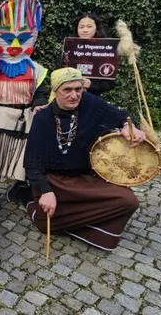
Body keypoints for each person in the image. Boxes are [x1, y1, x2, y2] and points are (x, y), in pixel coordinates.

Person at [18, 67, 144, 250]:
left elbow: (121, 115)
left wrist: (127, 126)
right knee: (45, 225)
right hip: (56, 182)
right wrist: (45, 191)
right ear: (56, 91)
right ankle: (32, 199)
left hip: (87, 179)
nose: (74, 95)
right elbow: (32, 164)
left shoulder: (90, 103)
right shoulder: (43, 118)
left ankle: (72, 220)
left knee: (128, 201)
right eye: (67, 90)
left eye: (78, 89)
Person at [0, 0, 50, 208]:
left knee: (21, 158)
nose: (16, 44)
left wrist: (38, 105)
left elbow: (40, 93)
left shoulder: (36, 69)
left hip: (24, 120)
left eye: (23, 38)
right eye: (9, 39)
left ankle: (19, 188)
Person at [70, 12, 115, 97]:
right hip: (68, 97)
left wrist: (91, 85)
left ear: (96, 29)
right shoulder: (68, 49)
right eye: (81, 27)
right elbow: (58, 72)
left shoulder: (106, 51)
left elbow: (110, 83)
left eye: (89, 26)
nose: (85, 30)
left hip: (93, 98)